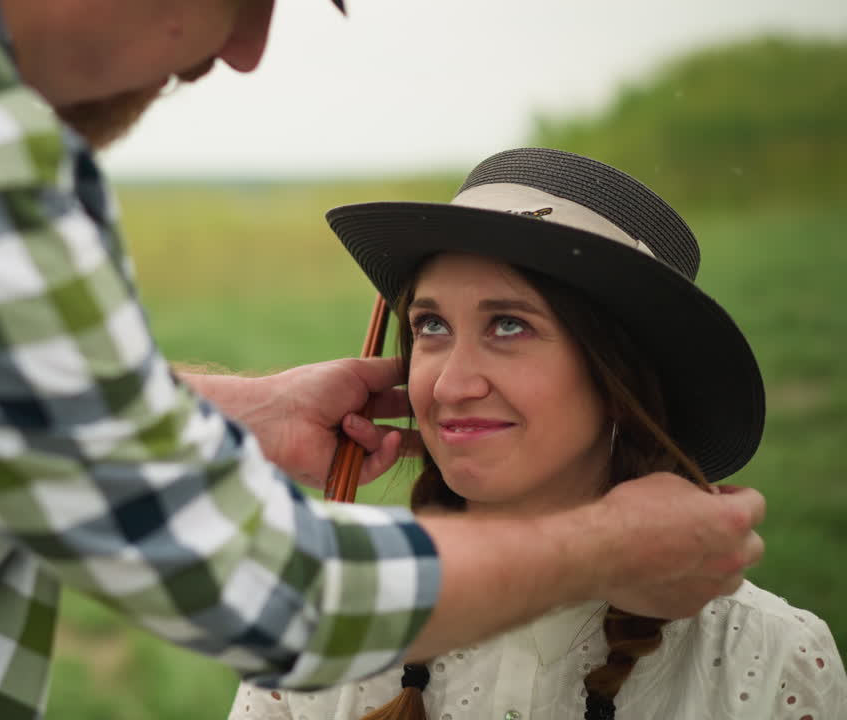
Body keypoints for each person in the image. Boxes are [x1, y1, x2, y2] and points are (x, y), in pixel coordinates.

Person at [0, 1, 765, 717]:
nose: (246, 46)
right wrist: (609, 549)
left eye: (511, 324)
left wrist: (216, 412)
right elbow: (278, 592)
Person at [227, 147, 846, 720]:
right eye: (431, 325)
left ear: (619, 374)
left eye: (508, 325)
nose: (448, 385)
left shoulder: (771, 658)